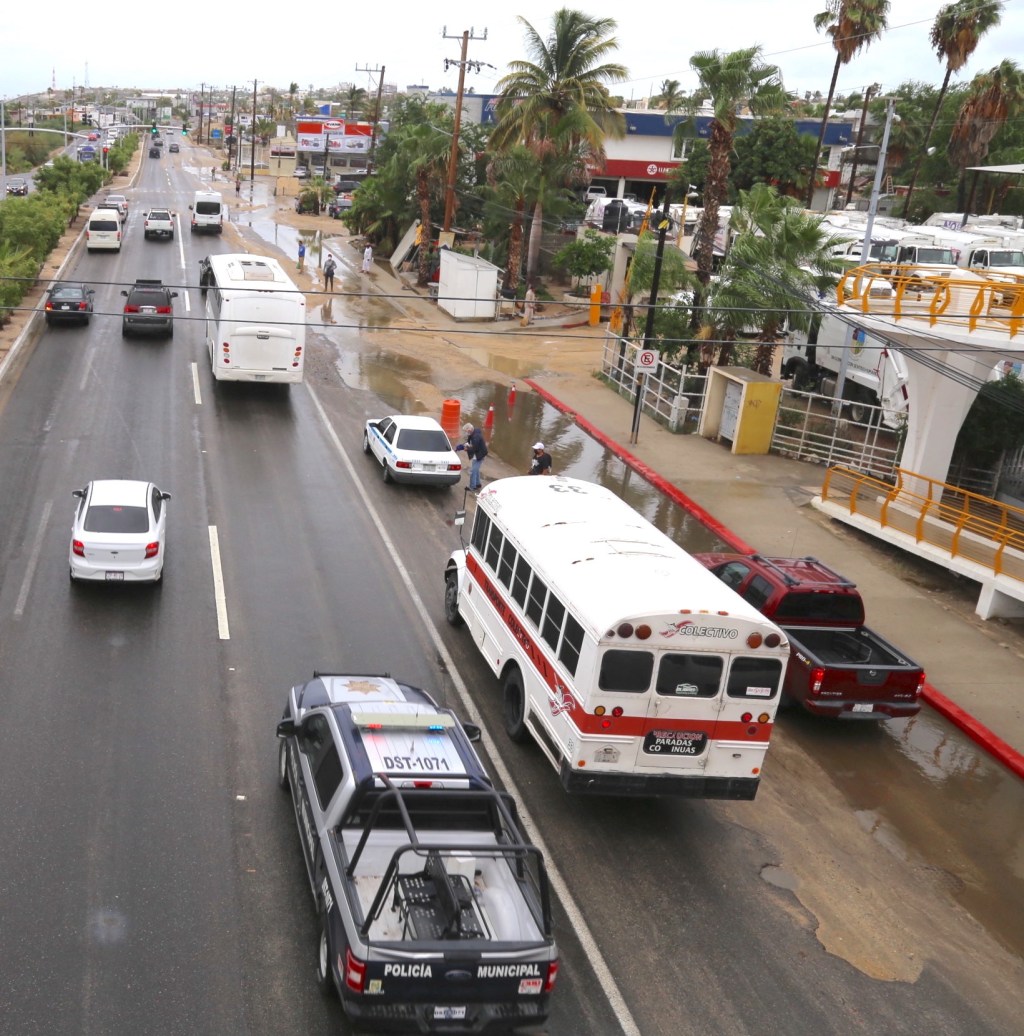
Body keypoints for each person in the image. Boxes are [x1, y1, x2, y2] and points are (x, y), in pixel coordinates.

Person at [455, 421, 488, 492]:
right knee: (476, 470)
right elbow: (469, 443)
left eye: (466, 431)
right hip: (478, 454)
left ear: (469, 430)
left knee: (473, 471)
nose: (465, 433)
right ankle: (478, 484)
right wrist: (462, 446)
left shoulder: (476, 437)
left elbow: (474, 448)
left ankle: (472, 487)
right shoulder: (473, 434)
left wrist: (466, 449)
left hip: (479, 455)